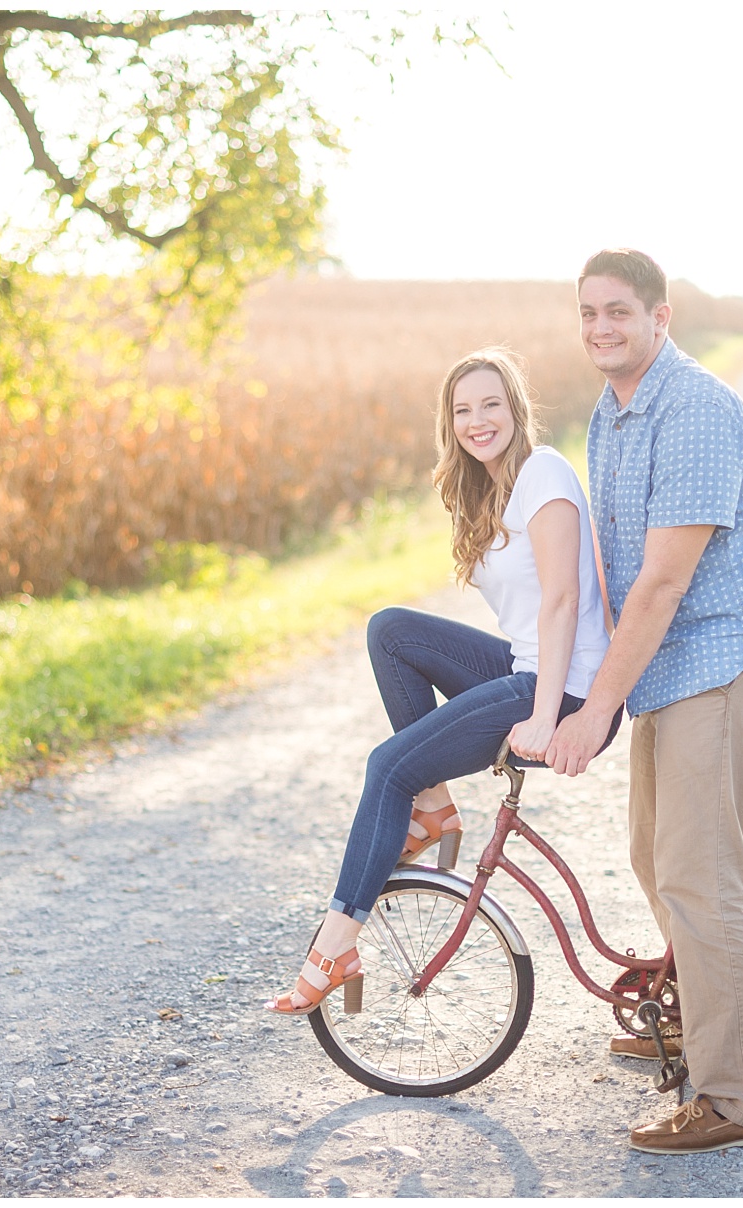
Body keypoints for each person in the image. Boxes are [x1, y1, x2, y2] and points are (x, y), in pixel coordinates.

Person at [545, 249, 743, 1155]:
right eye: (588, 314)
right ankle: (701, 1023)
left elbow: (659, 585)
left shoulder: (691, 410)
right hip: (675, 668)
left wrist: (593, 712)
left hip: (725, 660)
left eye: (618, 312)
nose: (600, 329)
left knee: (701, 875)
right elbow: (613, 574)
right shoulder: (613, 414)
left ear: (661, 318)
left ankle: (736, 1100)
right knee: (655, 855)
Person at [265, 346, 615, 1015]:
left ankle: (335, 945)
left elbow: (563, 599)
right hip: (530, 669)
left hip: (563, 691)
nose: (477, 420)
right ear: (448, 422)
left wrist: (544, 717)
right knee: (392, 631)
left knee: (387, 766)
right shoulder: (489, 491)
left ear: (516, 408)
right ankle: (433, 806)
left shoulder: (543, 472)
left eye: (491, 404)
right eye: (462, 410)